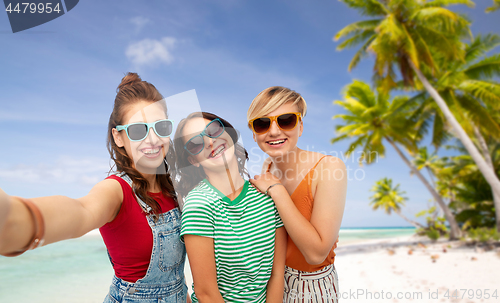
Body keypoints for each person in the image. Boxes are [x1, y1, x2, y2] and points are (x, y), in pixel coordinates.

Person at [0, 73, 189, 303]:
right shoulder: (115, 191)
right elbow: (82, 211)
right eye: (138, 130)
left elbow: (174, 277)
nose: (153, 138)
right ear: (118, 137)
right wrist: (16, 218)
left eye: (161, 126)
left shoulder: (174, 189)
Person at [173, 112, 287, 303]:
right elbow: (206, 293)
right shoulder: (198, 205)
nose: (210, 141)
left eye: (213, 130)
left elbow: (276, 275)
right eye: (195, 143)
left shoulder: (268, 196)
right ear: (193, 160)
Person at [247, 86, 347, 303]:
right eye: (262, 124)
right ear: (254, 134)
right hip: (269, 283)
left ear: (300, 127)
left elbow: (316, 253)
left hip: (311, 285)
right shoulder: (268, 168)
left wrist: (277, 191)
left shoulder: (329, 167)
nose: (273, 131)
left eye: (286, 120)